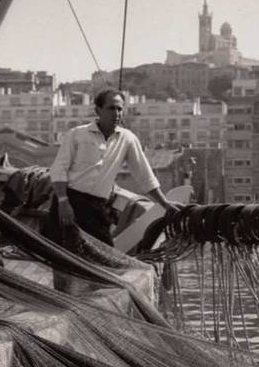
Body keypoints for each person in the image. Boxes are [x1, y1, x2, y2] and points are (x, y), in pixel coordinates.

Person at [44, 88, 179, 247]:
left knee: (104, 254)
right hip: (69, 200)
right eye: (111, 108)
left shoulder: (128, 139)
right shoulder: (77, 134)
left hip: (97, 207)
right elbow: (59, 169)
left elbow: (144, 175)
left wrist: (164, 204)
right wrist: (63, 202)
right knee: (60, 255)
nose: (116, 113)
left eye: (120, 109)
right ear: (98, 110)